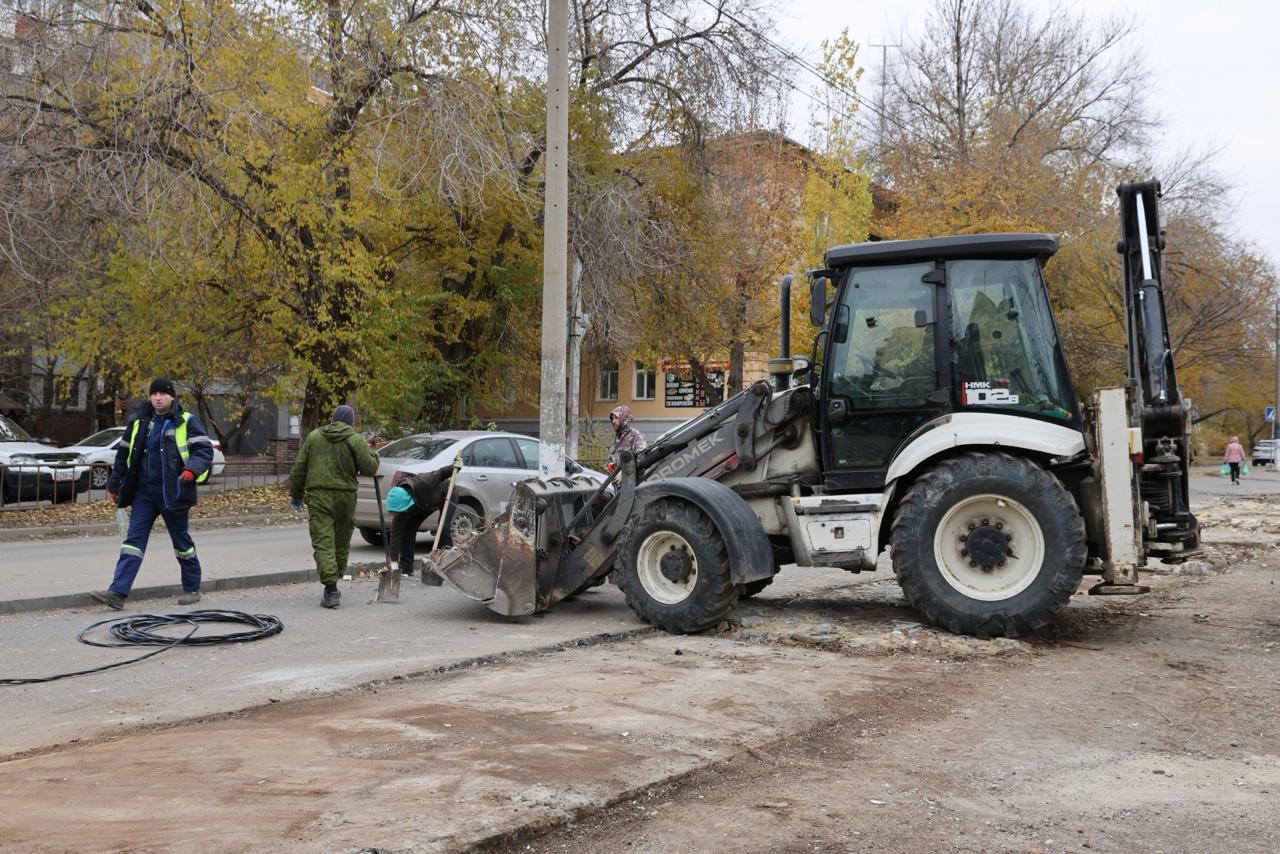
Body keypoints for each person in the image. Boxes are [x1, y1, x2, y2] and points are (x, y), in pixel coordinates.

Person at [90, 378, 215, 610]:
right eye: (154, 394)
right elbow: (123, 455)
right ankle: (117, 592)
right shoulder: (139, 422)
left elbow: (204, 451)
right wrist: (114, 485)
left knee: (182, 544)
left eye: (163, 394)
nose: (158, 398)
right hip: (144, 494)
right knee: (132, 543)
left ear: (172, 396)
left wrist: (192, 469)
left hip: (173, 493)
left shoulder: (186, 421)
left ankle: (192, 588)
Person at [288, 405, 379, 608]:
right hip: (346, 498)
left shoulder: (314, 437)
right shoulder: (355, 440)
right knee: (341, 540)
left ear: (333, 419)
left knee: (323, 542)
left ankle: (330, 589)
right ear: (350, 421)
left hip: (319, 496)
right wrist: (374, 454)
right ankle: (335, 578)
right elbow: (370, 467)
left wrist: (296, 494)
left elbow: (299, 468)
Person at [385, 466, 454, 579]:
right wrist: (393, 563)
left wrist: (456, 465)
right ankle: (406, 569)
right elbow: (395, 535)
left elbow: (442, 472)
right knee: (408, 530)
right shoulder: (400, 504)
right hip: (424, 503)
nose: (400, 515)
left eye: (401, 512)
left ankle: (448, 567)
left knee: (443, 529)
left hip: (446, 496)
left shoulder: (424, 482)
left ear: (407, 503)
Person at [606, 405, 648, 473]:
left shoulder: (636, 436)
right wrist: (610, 464)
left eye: (616, 418)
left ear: (624, 419)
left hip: (634, 482)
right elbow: (612, 457)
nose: (613, 421)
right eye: (612, 419)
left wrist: (625, 473)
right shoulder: (618, 437)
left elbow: (642, 459)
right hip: (619, 482)